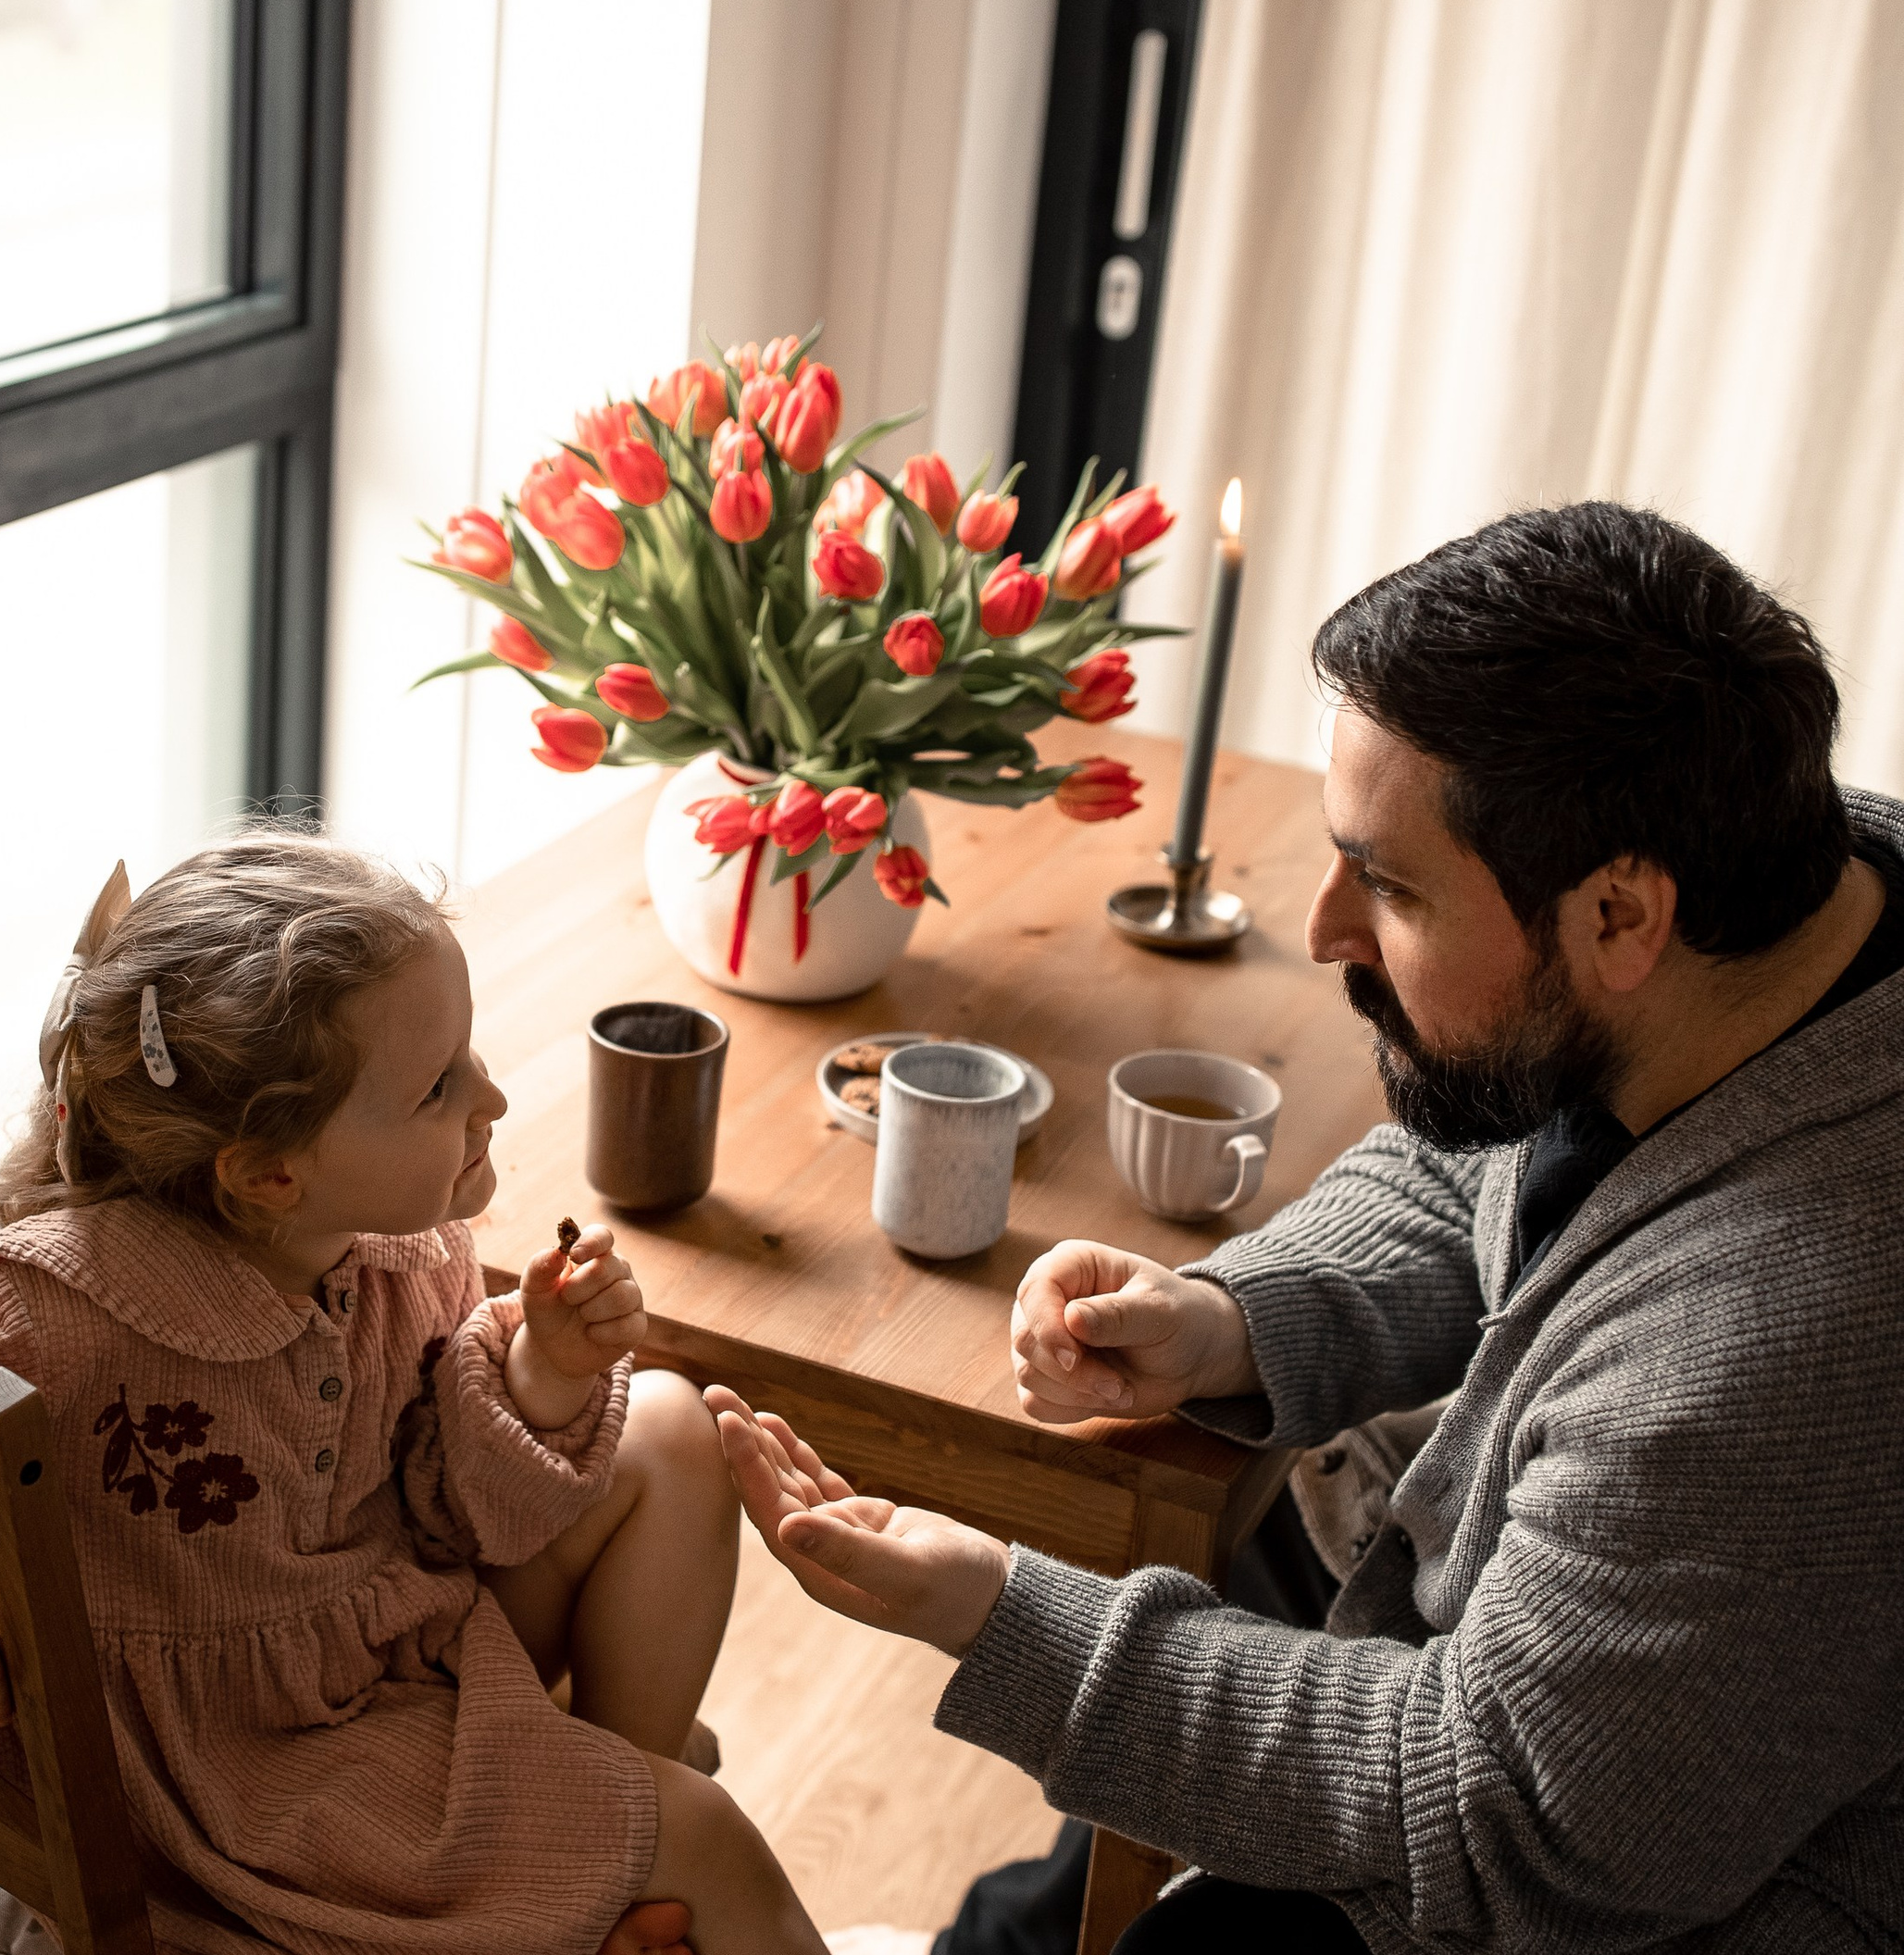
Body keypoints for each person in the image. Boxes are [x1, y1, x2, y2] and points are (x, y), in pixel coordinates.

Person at [710, 501, 1904, 1951]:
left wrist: (1004, 1611)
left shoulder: (1786, 1349)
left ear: (1617, 916)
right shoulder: (1790, 895)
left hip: (1620, 1888)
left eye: (1389, 884)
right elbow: (1487, 1158)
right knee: (1246, 1537)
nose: (1326, 923)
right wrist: (1236, 1314)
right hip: (1567, 1699)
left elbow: (1495, 1812)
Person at [0, 834, 829, 1955]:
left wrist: (540, 1375)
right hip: (240, 1767)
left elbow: (450, 1514)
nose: (494, 1096)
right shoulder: (67, 1295)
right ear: (269, 1174)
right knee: (712, 1837)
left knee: (671, 1426)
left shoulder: (408, 1254)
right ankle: (612, 1862)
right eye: (441, 1084)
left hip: (385, 1647)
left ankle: (587, 1867)